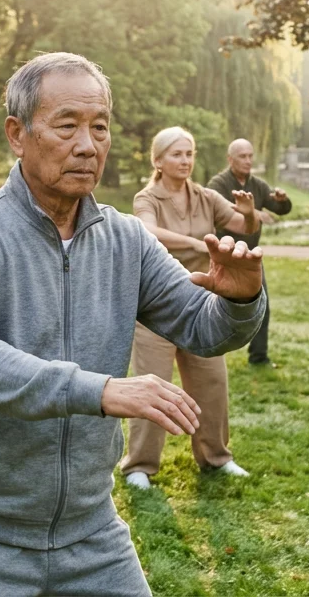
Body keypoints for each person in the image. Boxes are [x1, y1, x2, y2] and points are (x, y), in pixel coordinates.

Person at [0, 53, 268, 595]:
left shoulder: (127, 239)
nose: (88, 145)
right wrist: (103, 390)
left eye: (99, 127)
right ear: (17, 134)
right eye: (67, 126)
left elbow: (204, 327)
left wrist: (242, 300)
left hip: (91, 531)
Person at [120, 126, 263, 491]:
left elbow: (241, 224)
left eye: (189, 154)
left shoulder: (205, 196)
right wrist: (197, 242)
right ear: (158, 160)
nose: (184, 161)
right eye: (176, 154)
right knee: (153, 385)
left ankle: (217, 457)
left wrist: (248, 215)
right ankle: (140, 465)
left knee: (212, 382)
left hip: (202, 305)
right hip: (155, 305)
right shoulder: (147, 198)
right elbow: (146, 231)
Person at [207, 138, 293, 365]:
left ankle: (259, 356)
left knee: (261, 306)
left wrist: (283, 202)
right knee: (210, 309)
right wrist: (255, 213)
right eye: (242, 156)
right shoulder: (218, 183)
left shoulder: (258, 185)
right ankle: (208, 353)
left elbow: (279, 208)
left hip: (250, 257)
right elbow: (222, 210)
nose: (248, 161)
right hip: (225, 255)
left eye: (250, 156)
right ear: (230, 159)